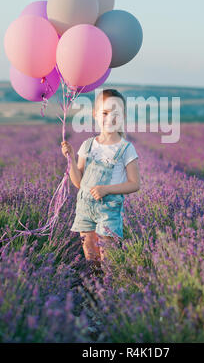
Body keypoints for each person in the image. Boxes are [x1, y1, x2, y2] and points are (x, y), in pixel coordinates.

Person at [61, 89, 140, 276]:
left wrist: (106, 189)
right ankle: (95, 294)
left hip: (108, 211)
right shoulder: (87, 145)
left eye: (116, 113)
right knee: (92, 260)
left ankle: (110, 294)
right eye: (105, 113)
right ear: (95, 115)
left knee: (109, 261)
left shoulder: (125, 148)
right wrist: (71, 158)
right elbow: (79, 183)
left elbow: (135, 183)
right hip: (84, 210)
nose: (110, 118)